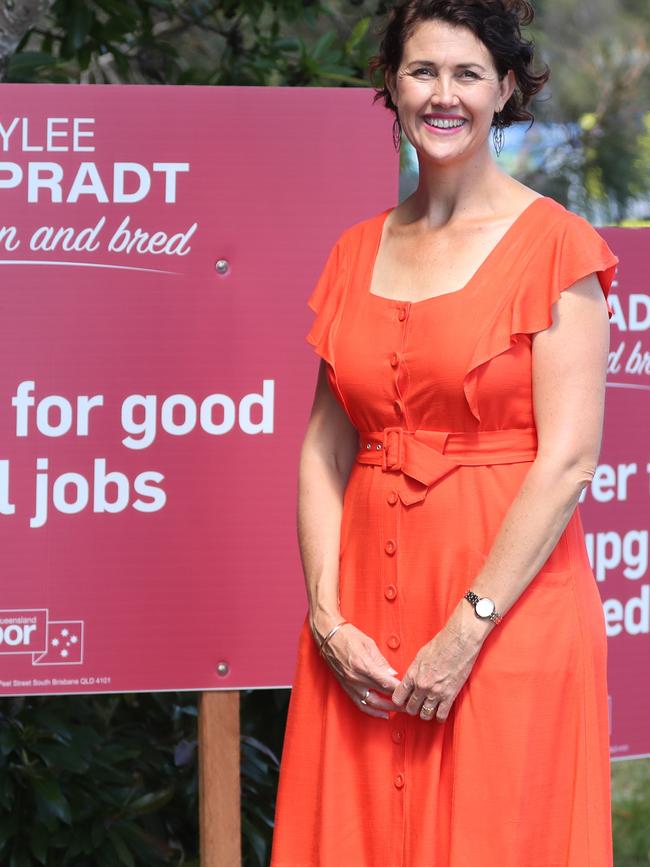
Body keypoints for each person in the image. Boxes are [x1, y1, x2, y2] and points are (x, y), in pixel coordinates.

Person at [270, 0, 619, 864]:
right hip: (359, 630)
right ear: (393, 84)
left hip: (505, 617)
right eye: (423, 71)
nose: (443, 94)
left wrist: (467, 629)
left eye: (468, 74)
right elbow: (324, 447)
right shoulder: (354, 250)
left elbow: (569, 461)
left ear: (505, 88)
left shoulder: (557, 247)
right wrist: (325, 615)